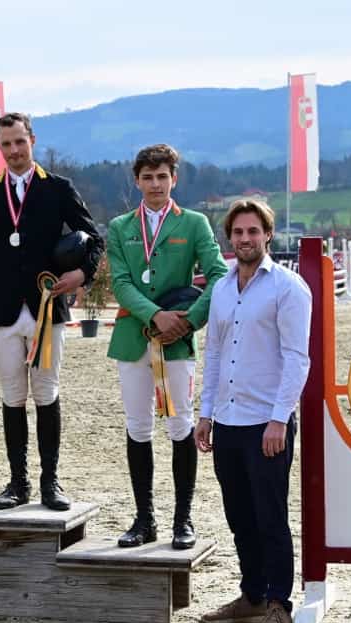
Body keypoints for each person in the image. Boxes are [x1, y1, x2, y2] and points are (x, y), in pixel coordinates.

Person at [0, 112, 104, 511]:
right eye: (6, 144)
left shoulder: (58, 188)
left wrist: (82, 273)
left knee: (46, 393)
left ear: (32, 140)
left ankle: (50, 481)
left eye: (19, 142)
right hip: (3, 311)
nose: (13, 151)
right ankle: (18, 481)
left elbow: (93, 238)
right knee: (13, 396)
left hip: (48, 307)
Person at [194, 198, 312, 623]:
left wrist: (280, 419)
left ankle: (280, 604)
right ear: (230, 238)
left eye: (253, 231)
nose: (245, 239)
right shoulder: (222, 289)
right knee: (239, 516)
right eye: (238, 233)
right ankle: (252, 595)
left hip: (268, 423)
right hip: (227, 421)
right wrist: (205, 413)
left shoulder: (289, 288)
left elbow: (297, 359)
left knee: (270, 517)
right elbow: (216, 352)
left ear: (268, 234)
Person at [107, 144, 227, 550]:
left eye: (162, 177)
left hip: (177, 341)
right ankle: (144, 519)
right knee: (138, 427)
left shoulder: (194, 224)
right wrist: (154, 315)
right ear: (137, 180)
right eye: (147, 177)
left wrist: (189, 320)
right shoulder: (121, 227)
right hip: (133, 339)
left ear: (174, 179)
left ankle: (183, 519)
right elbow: (121, 283)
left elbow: (217, 275)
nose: (155, 184)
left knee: (180, 426)